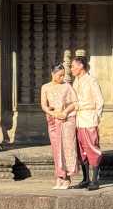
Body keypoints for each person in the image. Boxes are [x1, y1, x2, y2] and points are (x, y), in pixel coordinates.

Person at [40, 63, 78, 190]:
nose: (62, 78)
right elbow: (44, 105)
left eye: (63, 75)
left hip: (66, 121)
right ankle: (59, 176)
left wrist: (65, 112)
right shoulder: (45, 87)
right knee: (56, 149)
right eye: (59, 75)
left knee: (67, 148)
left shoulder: (67, 86)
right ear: (52, 74)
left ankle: (67, 178)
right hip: (53, 120)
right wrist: (53, 113)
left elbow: (75, 102)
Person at [71, 56, 104, 191]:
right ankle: (86, 179)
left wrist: (96, 116)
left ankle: (95, 180)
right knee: (81, 150)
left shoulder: (91, 81)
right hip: (78, 119)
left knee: (92, 148)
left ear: (81, 66)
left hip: (88, 117)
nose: (72, 69)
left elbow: (99, 100)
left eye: (73, 66)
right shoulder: (76, 81)